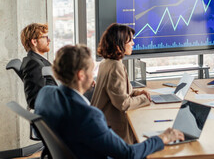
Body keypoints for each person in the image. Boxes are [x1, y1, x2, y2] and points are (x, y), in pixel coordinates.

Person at [35, 44, 184, 159]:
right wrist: (161, 138)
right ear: (81, 75)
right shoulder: (89, 116)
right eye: (91, 71)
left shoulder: (45, 94)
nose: (93, 76)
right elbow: (128, 154)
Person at [91, 23, 151, 144]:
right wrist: (145, 99)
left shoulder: (105, 63)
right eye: (130, 41)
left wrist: (137, 92)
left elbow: (117, 92)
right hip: (113, 132)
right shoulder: (115, 67)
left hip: (101, 124)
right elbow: (123, 104)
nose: (133, 43)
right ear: (119, 45)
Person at [20, 23, 57, 109]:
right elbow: (34, 100)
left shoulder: (36, 60)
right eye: (45, 37)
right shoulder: (33, 64)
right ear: (34, 42)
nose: (49, 40)